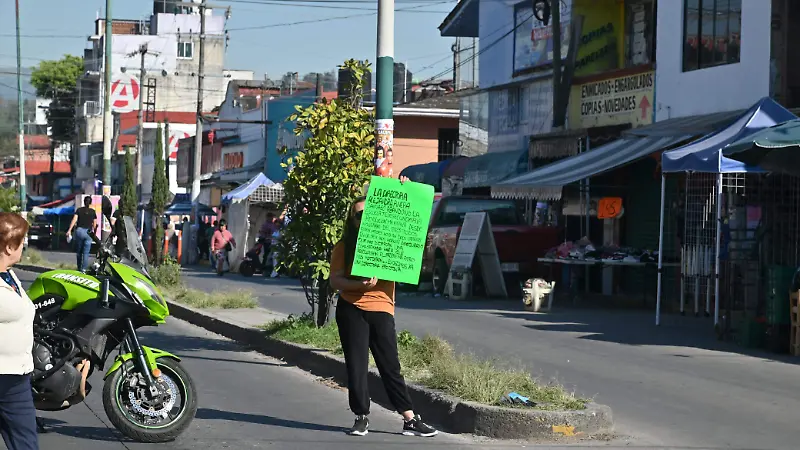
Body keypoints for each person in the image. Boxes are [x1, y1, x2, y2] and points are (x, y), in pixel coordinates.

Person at [329, 184, 438, 438]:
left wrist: (406, 188)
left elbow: (410, 222)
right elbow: (335, 281)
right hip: (351, 308)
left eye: (367, 213)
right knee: (356, 365)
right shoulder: (344, 247)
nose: (362, 218)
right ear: (351, 220)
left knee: (390, 365)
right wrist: (359, 284)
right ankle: (361, 417)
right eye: (357, 215)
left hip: (381, 308)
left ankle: (409, 418)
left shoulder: (390, 238)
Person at [0, 212, 39, 450]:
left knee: (25, 444)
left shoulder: (10, 276)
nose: (23, 247)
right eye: (21, 242)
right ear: (8, 246)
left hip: (17, 377)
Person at [66, 197, 97, 272]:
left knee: (79, 251)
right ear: (90, 203)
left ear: (84, 202)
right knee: (86, 253)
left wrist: (69, 230)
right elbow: (95, 224)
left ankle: (79, 267)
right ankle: (84, 269)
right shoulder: (93, 212)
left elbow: (74, 220)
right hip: (88, 233)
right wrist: (94, 233)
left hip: (79, 231)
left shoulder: (79, 210)